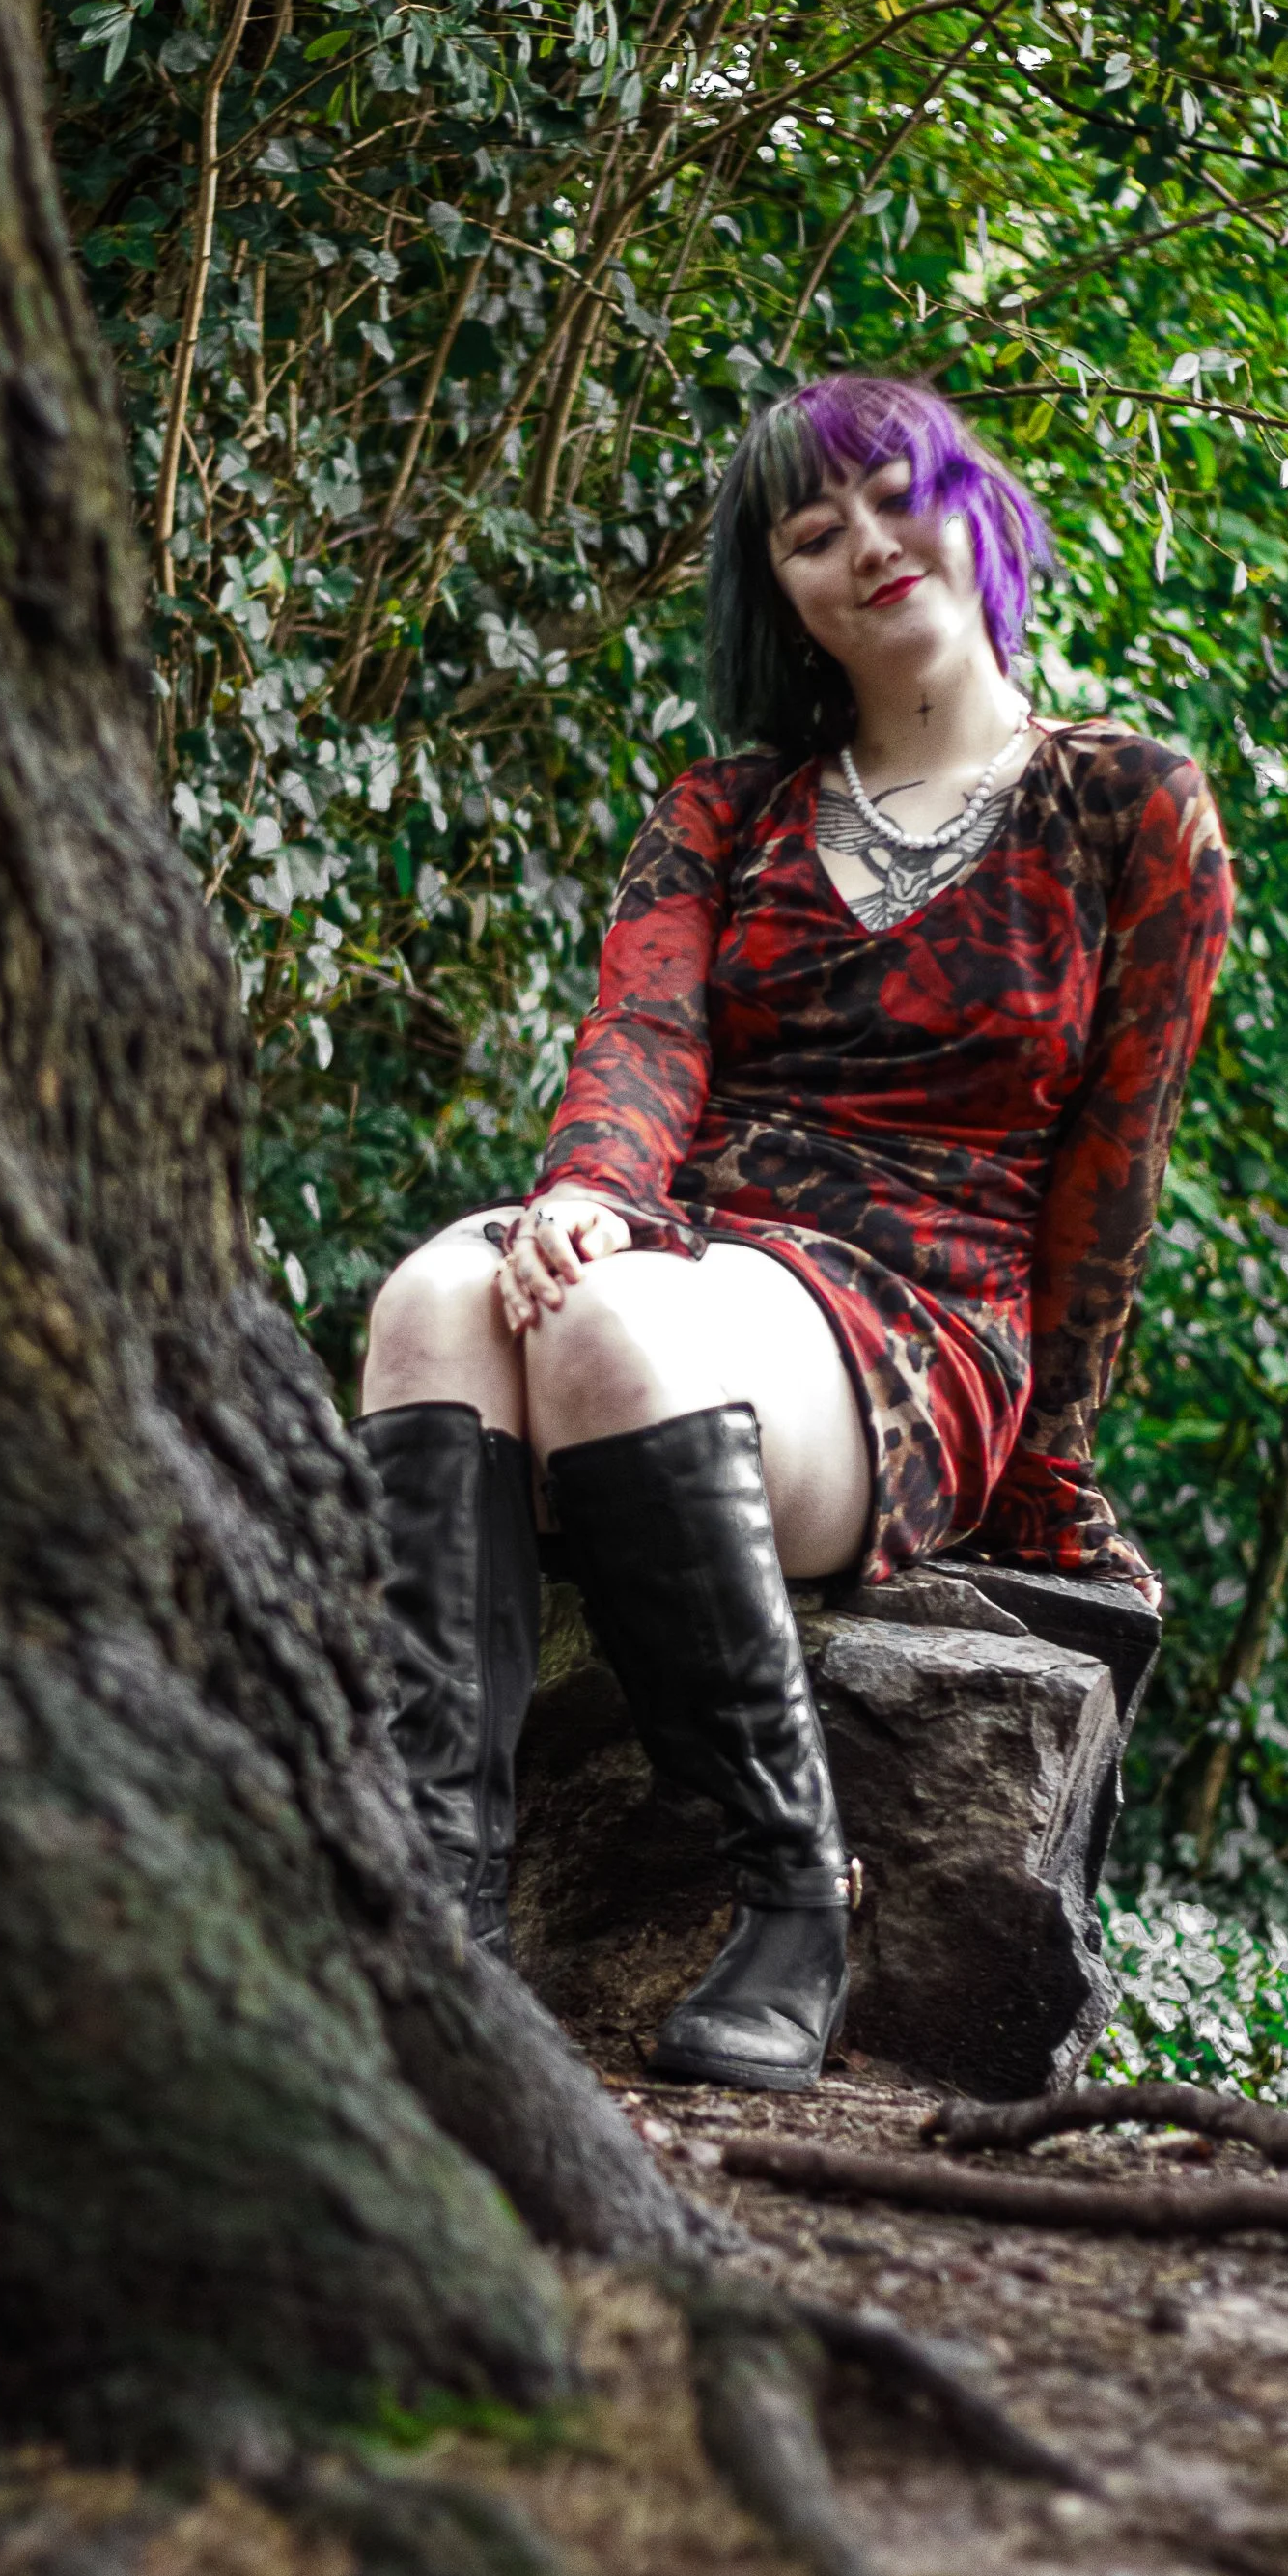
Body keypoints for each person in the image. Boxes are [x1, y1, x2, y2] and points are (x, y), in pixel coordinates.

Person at [354, 374, 1234, 2093]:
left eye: (894, 494)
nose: (867, 546)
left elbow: (1110, 1179)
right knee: (435, 1302)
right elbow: (647, 1034)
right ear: (787, 597)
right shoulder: (730, 808)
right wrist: (593, 1194)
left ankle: (795, 1897)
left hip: (922, 1314)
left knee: (613, 1333)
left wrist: (1050, 1467)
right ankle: (431, 1921)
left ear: (975, 504)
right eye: (811, 533)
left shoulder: (1132, 804)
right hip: (697, 1244)